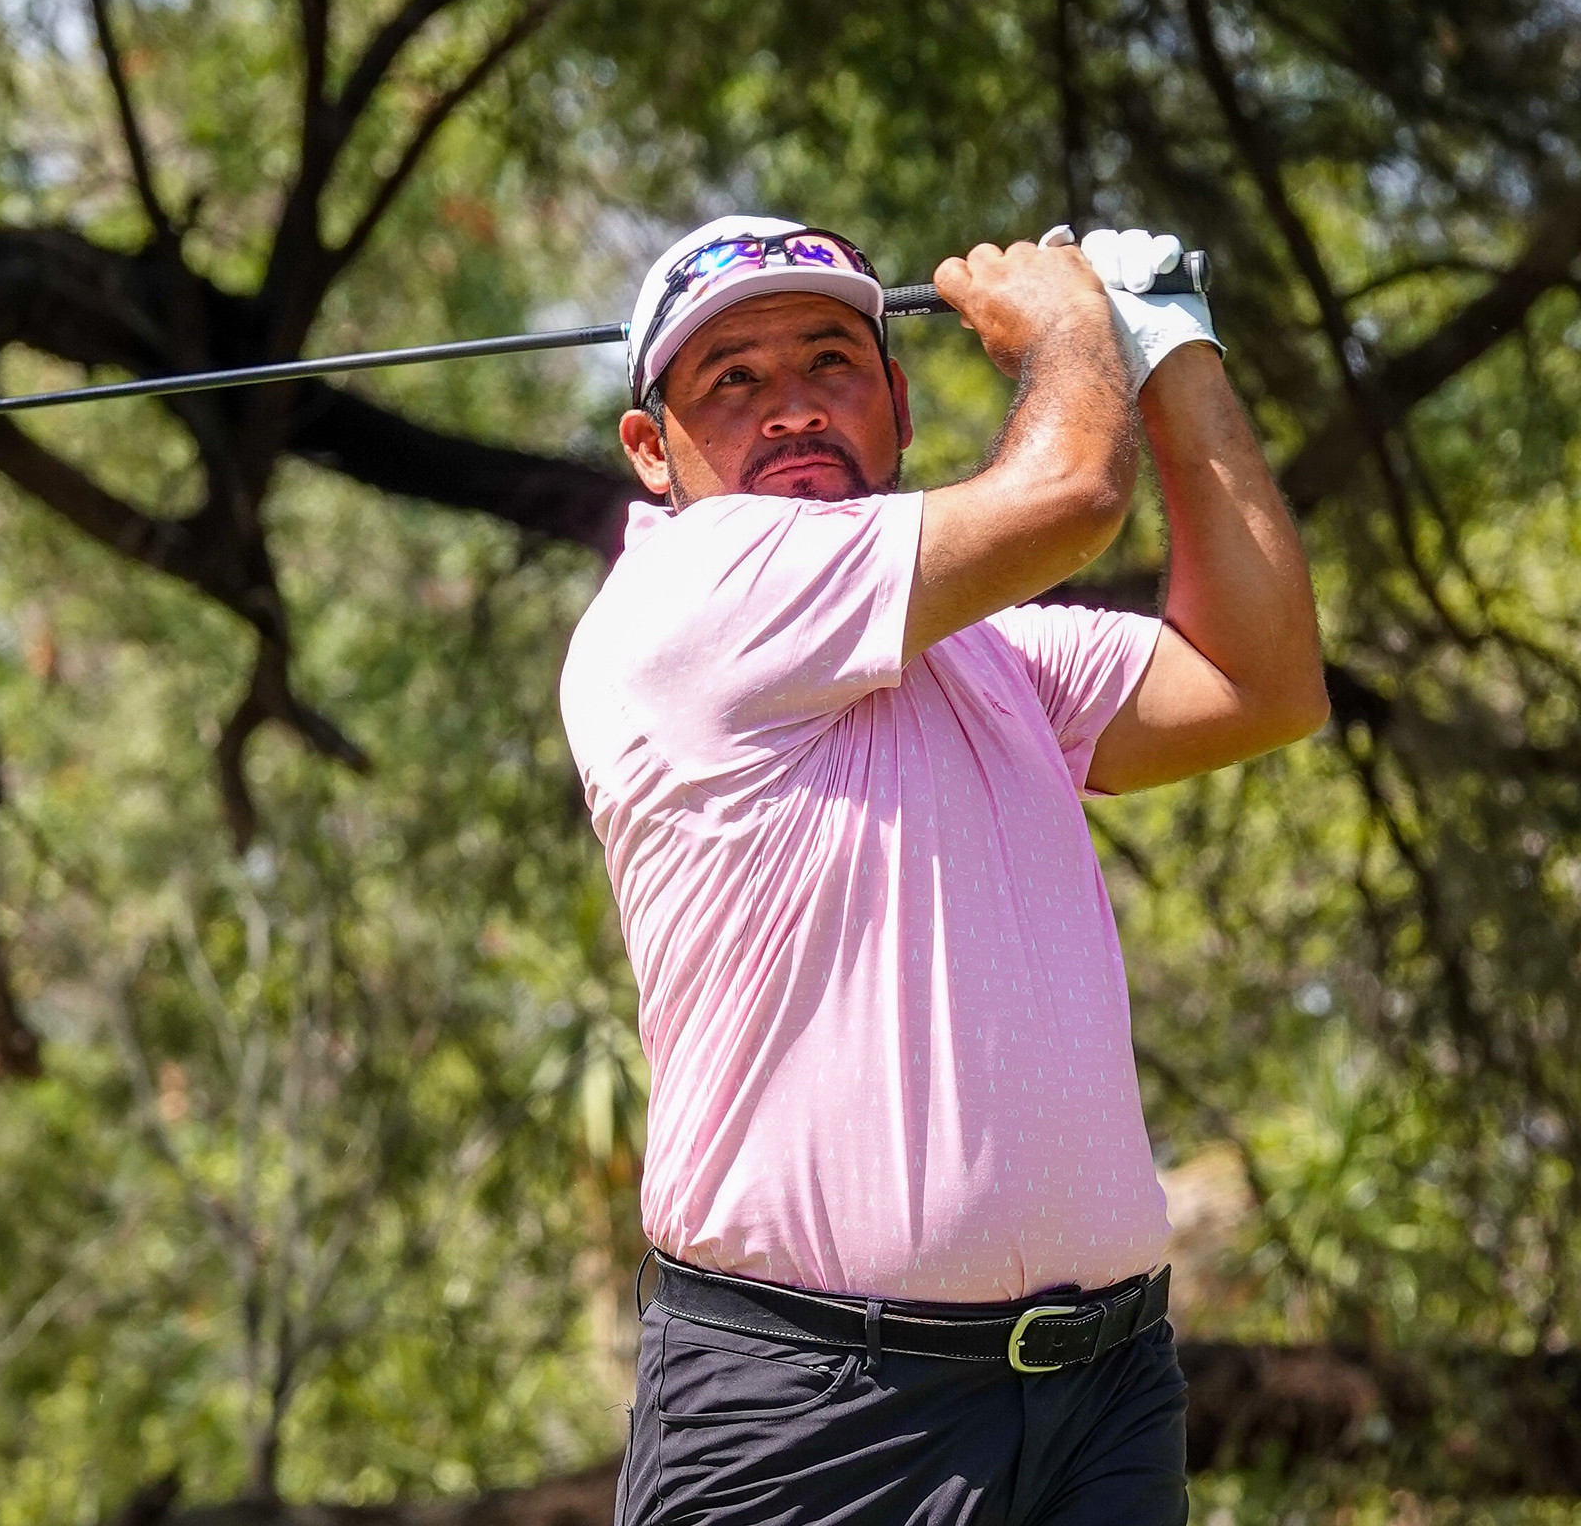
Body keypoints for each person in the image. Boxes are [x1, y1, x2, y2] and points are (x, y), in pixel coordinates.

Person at [557, 215, 1328, 1525]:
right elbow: (1075, 492)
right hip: (820, 1415)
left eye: (830, 363)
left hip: (1105, 1394)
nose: (792, 407)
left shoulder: (998, 656)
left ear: (898, 406)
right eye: (730, 381)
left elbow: (1260, 684)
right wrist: (1076, 323)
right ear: (652, 453)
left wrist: (1175, 350)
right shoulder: (684, 596)